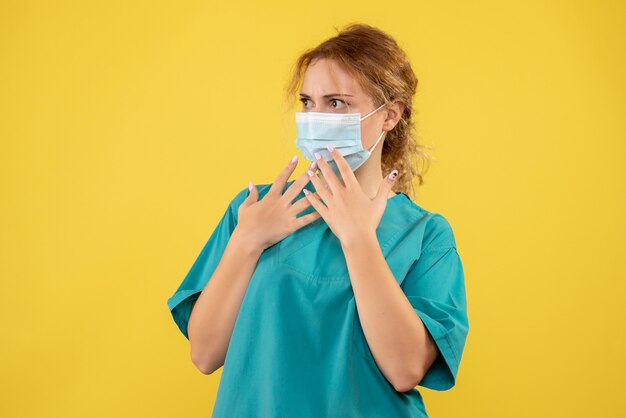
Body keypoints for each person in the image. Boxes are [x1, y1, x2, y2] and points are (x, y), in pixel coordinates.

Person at [167, 23, 469, 418]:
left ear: (390, 115)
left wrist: (359, 239)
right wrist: (247, 240)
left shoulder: (425, 236)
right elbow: (205, 354)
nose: (316, 117)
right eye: (308, 102)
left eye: (337, 103)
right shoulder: (256, 208)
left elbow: (405, 368)